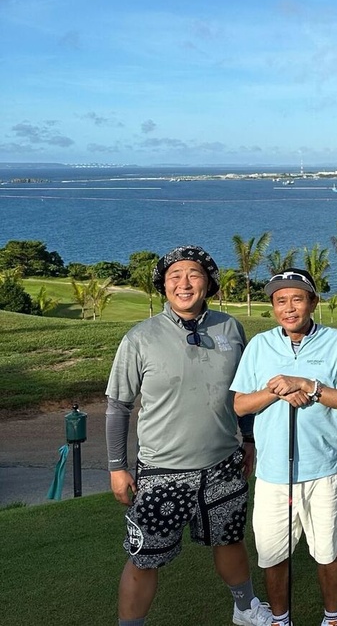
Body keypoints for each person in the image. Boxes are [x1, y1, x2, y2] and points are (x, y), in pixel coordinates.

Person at [105, 245, 272, 626]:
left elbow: (241, 393)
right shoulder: (140, 338)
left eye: (193, 274)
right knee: (144, 556)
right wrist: (117, 467)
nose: (184, 283)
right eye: (174, 276)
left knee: (229, 540)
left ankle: (245, 608)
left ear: (208, 283)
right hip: (163, 471)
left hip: (223, 465)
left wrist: (247, 440)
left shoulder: (230, 328)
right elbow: (118, 407)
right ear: (163, 285)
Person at [232, 269, 337, 626]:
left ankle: (332, 618)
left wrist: (306, 383)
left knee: (327, 552)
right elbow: (240, 405)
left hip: (324, 470)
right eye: (280, 300)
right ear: (273, 307)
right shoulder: (260, 346)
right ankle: (280, 619)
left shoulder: (336, 342)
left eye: (297, 298)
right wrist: (278, 390)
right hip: (273, 474)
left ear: (313, 302)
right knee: (273, 555)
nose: (289, 308)